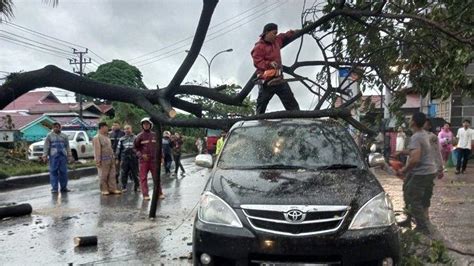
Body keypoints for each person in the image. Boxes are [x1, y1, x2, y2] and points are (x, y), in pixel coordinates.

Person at [395, 112, 437, 235]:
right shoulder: (422, 134)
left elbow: (415, 159)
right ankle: (408, 219)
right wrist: (402, 152)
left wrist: (404, 170)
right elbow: (416, 152)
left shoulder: (416, 137)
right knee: (407, 189)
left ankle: (422, 227)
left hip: (421, 173)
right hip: (428, 171)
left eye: (410, 118)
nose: (409, 121)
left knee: (414, 198)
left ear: (413, 122)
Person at [251, 23, 300, 114]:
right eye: (274, 33)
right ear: (267, 33)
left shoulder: (277, 40)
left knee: (292, 105)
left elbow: (284, 35)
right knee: (261, 107)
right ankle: (258, 121)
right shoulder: (258, 47)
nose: (275, 35)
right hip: (266, 82)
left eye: (276, 33)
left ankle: (297, 118)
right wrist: (269, 63)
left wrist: (293, 32)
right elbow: (257, 62)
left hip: (279, 79)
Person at [134, 118, 164, 200]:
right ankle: (145, 195)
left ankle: (159, 193)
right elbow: (135, 148)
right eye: (144, 124)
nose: (146, 125)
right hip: (144, 161)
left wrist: (161, 157)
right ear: (142, 125)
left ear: (150, 125)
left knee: (156, 177)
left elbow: (160, 147)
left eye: (147, 124)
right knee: (143, 178)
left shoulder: (155, 135)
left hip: (154, 160)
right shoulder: (139, 136)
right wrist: (141, 155)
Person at [42, 122, 73, 193]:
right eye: (55, 127)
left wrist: (69, 155)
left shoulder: (64, 136)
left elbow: (67, 146)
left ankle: (64, 187)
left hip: (62, 156)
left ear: (60, 127)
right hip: (54, 157)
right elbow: (46, 146)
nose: (56, 128)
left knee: (63, 172)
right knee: (53, 172)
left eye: (57, 127)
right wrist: (45, 155)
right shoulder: (49, 136)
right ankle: (54, 188)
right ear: (52, 128)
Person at [93, 122, 122, 195]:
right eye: (106, 127)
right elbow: (97, 150)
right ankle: (104, 189)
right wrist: (98, 161)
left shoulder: (107, 137)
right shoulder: (97, 137)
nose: (108, 129)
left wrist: (114, 157)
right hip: (103, 160)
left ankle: (112, 188)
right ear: (102, 128)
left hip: (111, 158)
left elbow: (110, 149)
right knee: (103, 175)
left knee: (112, 175)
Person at [116, 124, 139, 192]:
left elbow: (139, 148)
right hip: (124, 158)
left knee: (135, 173)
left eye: (128, 128)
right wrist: (117, 158)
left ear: (131, 129)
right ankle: (124, 187)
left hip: (134, 158)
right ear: (124, 130)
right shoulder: (121, 139)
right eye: (125, 129)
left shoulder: (136, 138)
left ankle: (137, 186)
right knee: (124, 173)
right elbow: (118, 149)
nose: (127, 130)